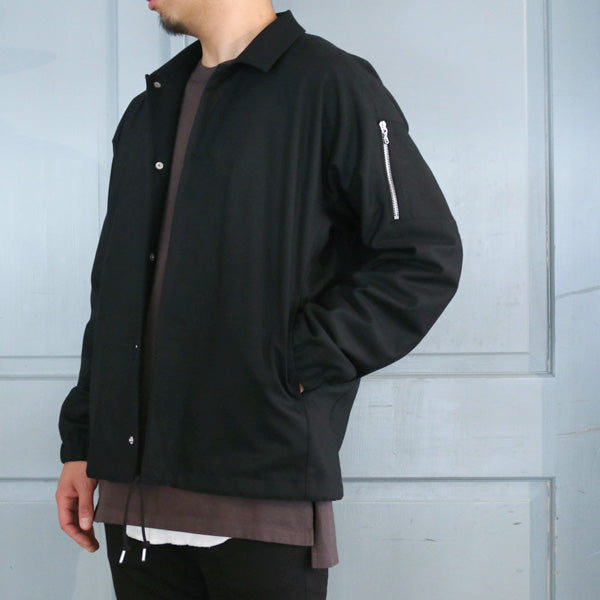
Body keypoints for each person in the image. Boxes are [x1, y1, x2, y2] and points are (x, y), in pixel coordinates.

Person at [55, 1, 463, 598]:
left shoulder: (329, 84)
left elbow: (421, 256)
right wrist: (83, 441)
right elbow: (114, 292)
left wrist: (289, 362)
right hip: (132, 506)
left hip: (261, 497)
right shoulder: (148, 111)